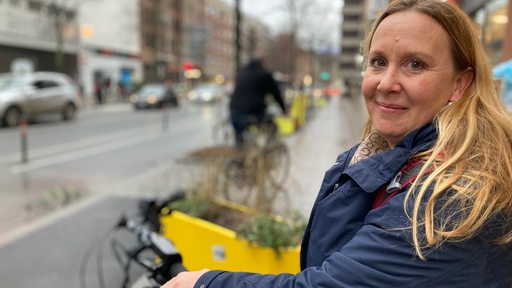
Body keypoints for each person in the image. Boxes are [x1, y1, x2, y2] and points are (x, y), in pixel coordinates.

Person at [162, 0, 512, 287]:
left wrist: (201, 283)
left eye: (414, 65)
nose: (386, 82)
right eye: (378, 62)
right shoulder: (388, 155)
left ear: (460, 84)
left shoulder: (453, 192)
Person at [228, 58, 288, 148]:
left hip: (234, 113)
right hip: (253, 114)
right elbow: (276, 94)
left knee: (239, 135)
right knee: (272, 126)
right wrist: (284, 110)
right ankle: (267, 150)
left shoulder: (241, 74)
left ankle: (240, 153)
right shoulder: (264, 75)